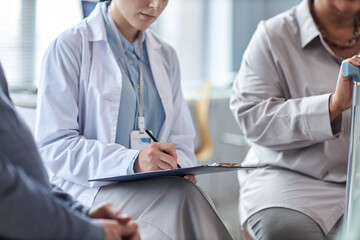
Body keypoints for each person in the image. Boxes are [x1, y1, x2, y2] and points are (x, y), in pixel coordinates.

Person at [35, 0, 232, 239]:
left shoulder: (166, 55)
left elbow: (180, 138)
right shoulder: (69, 47)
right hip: (91, 191)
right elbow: (55, 146)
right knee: (180, 199)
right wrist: (133, 161)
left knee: (181, 195)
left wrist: (179, 167)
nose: (156, 5)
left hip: (158, 187)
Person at [230, 0, 360, 239]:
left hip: (356, 181)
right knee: (289, 232)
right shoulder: (273, 36)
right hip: (290, 179)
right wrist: (332, 106)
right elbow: (253, 118)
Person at [0, 62, 139, 240]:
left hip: (51, 213)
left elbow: (22, 170)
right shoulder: (66, 50)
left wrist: (80, 213)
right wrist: (88, 231)